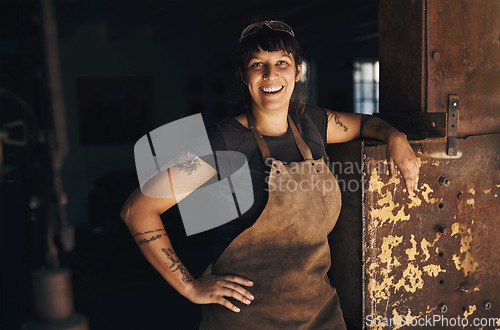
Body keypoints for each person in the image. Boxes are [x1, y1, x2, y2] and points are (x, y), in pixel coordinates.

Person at [121, 20, 419, 329]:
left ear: (298, 71)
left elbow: (366, 124)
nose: (271, 75)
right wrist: (190, 286)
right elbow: (138, 209)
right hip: (247, 318)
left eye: (281, 63)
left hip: (320, 313)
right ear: (243, 74)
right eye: (257, 64)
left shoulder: (313, 124)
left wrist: (394, 137)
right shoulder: (222, 142)